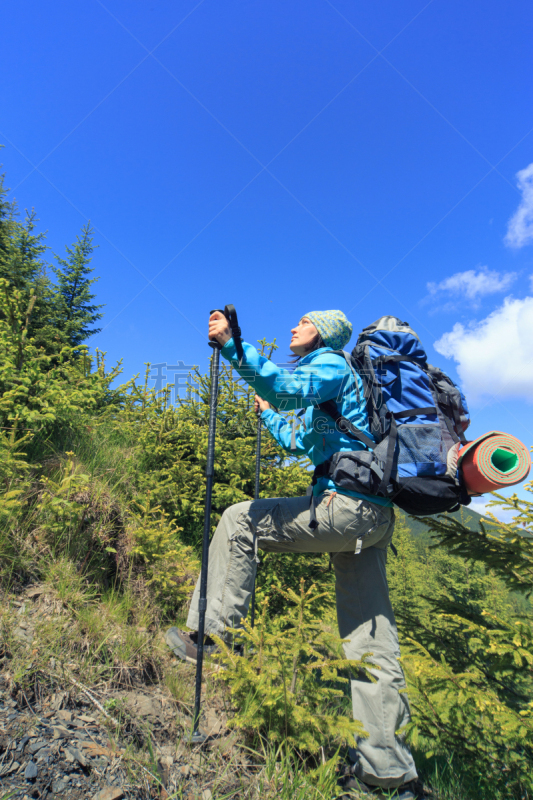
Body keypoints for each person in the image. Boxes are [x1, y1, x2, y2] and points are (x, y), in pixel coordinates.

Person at [167, 310, 420, 798]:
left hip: (344, 509)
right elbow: (304, 441)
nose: (292, 329)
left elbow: (284, 387)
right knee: (371, 637)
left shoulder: (330, 364)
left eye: (303, 322)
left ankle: (215, 637)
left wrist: (234, 345)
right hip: (373, 517)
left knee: (240, 520)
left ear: (323, 333)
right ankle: (387, 773)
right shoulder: (342, 386)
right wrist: (267, 416)